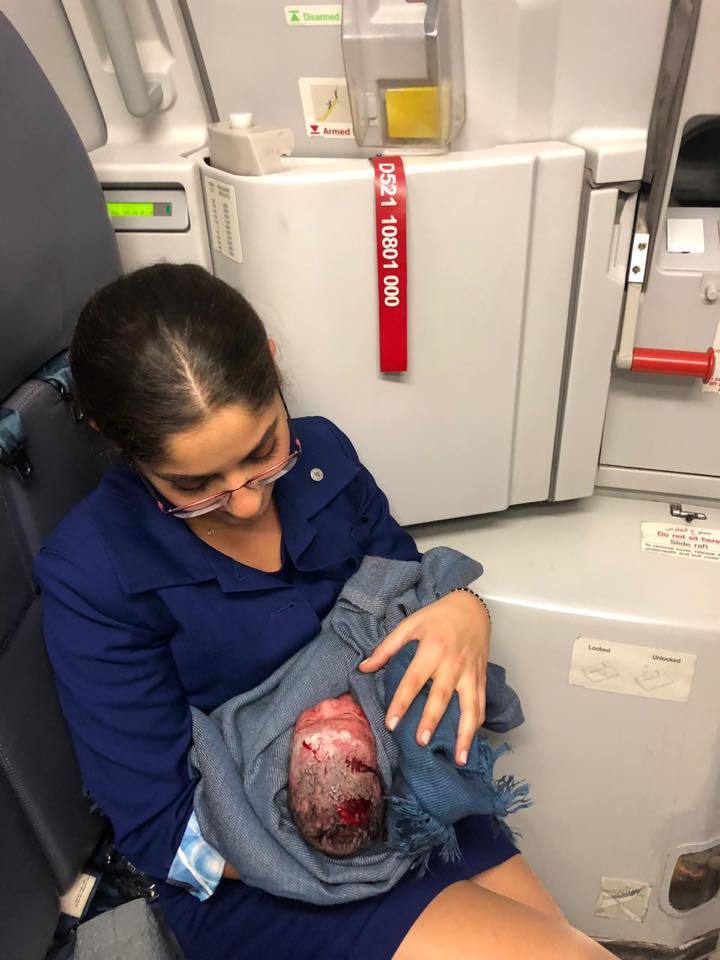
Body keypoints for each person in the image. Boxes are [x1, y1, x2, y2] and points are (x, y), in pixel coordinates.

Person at [35, 263, 613, 960]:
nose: (247, 501)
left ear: (272, 366)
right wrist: (344, 834)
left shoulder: (325, 458)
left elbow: (409, 590)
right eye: (195, 486)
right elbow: (161, 825)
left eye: (263, 452)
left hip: (405, 787)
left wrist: (466, 610)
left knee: (575, 948)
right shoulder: (93, 573)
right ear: (118, 441)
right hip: (259, 857)